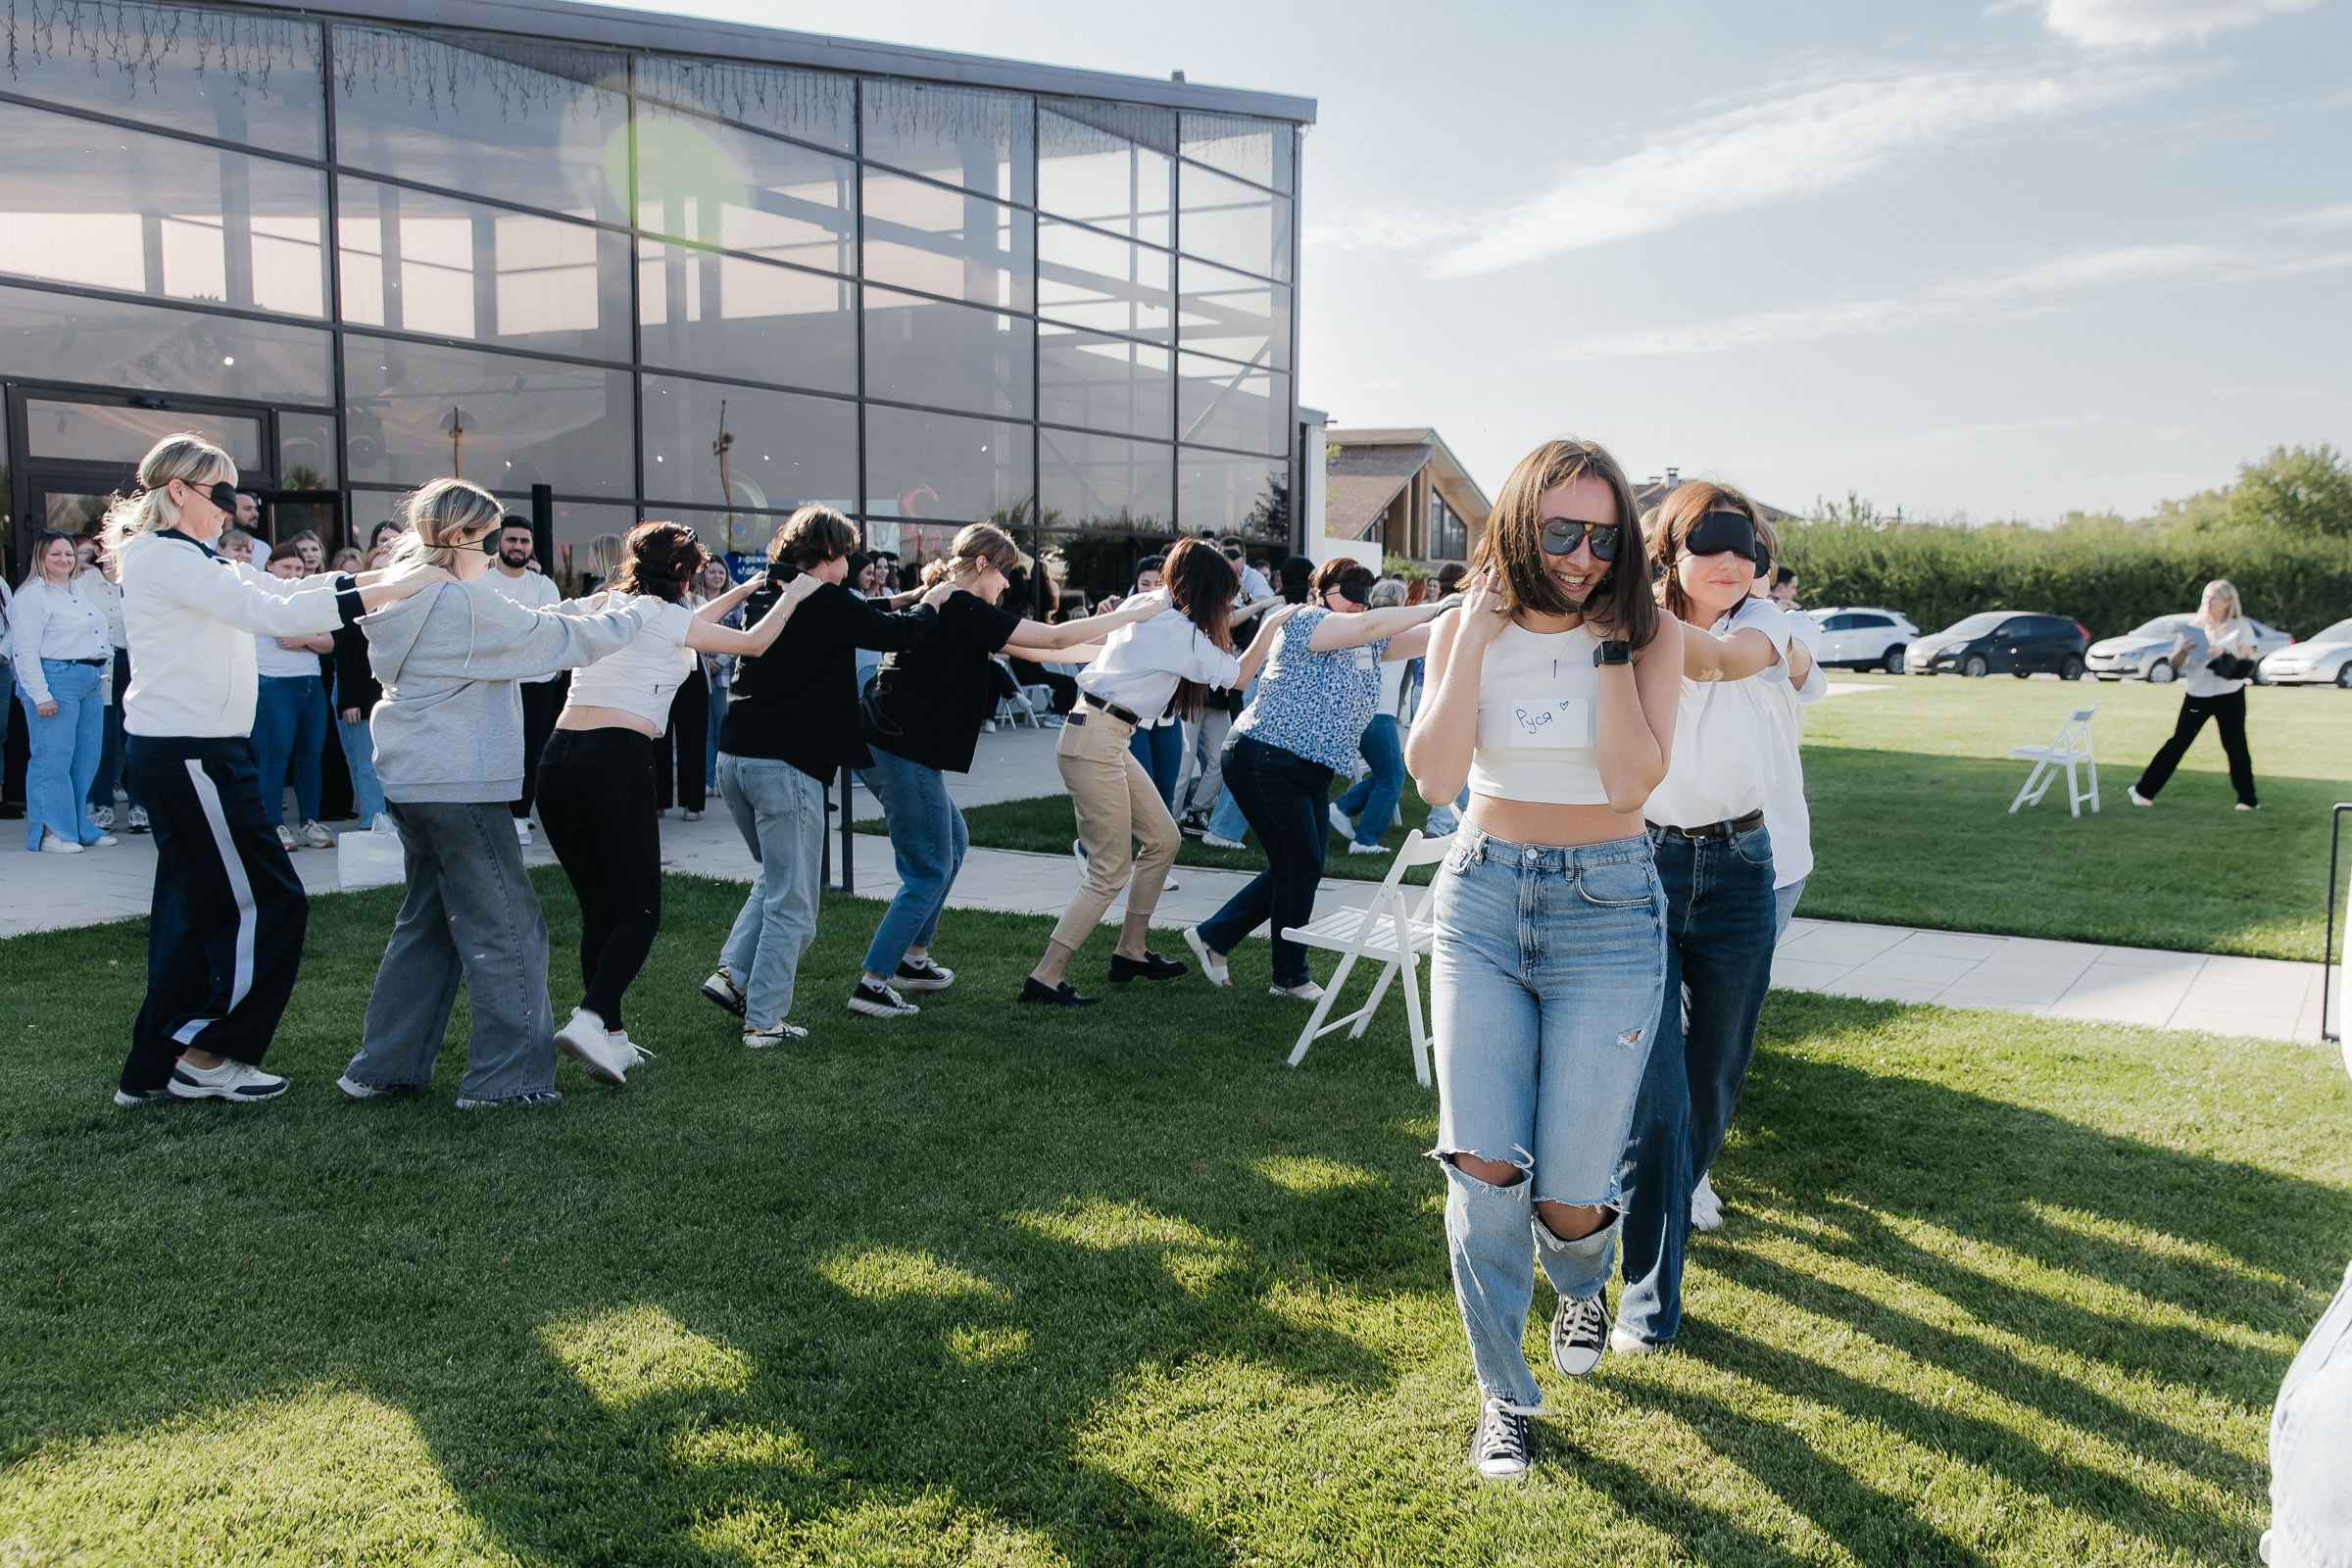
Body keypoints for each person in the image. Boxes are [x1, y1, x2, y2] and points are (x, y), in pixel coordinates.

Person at [1401, 436, 1684, 1481]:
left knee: (1568, 1189)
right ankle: (1502, 1398)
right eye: (1561, 531)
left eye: (1605, 536)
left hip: (1607, 909)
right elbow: (1434, 781)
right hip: (1481, 900)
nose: (1581, 554)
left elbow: (1627, 786)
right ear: (1519, 525)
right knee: (1482, 1173)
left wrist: (1609, 645)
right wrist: (1470, 641)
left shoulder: (1653, 638)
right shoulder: (1465, 629)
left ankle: (1580, 1276)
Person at [108, 432, 441, 1106]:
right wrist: (407, 583)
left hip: (198, 753)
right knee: (270, 902)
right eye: (220, 494)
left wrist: (396, 577)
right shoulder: (164, 558)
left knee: (191, 916)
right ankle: (209, 1055)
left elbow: (294, 588)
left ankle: (151, 1071)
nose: (232, 510)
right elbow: (273, 610)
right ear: (179, 491)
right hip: (192, 755)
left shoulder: (196, 558)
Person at [339, 478, 653, 1107]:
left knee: (426, 926)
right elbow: (558, 642)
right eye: (487, 539)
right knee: (509, 927)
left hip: (413, 783)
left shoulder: (413, 599)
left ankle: (383, 1068)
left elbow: (536, 623)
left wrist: (593, 607)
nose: (495, 553)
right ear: (458, 538)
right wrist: (641, 612)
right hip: (460, 787)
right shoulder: (461, 605)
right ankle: (507, 1081)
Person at [1615, 483, 1802, 1360]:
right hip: (1644, 863)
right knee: (1655, 1095)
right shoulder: (1631, 621)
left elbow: (1731, 663)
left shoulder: (1772, 623)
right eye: (1709, 545)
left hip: (1742, 870)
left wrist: (1618, 612)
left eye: (1745, 548)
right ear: (1671, 552)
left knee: (1716, 1068)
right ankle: (1645, 1300)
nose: (1732, 563)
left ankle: (1672, 1184)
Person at [535, 521, 819, 1070]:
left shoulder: (612, 605)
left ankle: (611, 1033)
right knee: (639, 914)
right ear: (686, 572)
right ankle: (591, 1020)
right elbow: (754, 643)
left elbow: (685, 625)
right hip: (614, 762)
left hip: (559, 762)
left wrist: (741, 590)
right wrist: (796, 596)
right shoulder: (664, 617)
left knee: (601, 912)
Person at [859, 524, 1162, 1016]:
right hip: (900, 748)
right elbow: (1055, 635)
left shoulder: (954, 604)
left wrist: (1123, 643)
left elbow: (1045, 648)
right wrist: (1138, 613)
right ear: (982, 565)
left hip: (900, 744)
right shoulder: (960, 604)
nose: (1007, 585)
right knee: (929, 867)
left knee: (952, 844)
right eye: (1005, 574)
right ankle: (873, 982)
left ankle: (912, 959)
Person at [703, 507, 945, 1047]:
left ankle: (731, 977)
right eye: (847, 555)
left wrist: (900, 601)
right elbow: (892, 634)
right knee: (795, 901)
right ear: (830, 555)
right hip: (785, 766)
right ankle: (763, 1022)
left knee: (776, 876)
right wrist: (930, 605)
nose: (851, 565)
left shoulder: (773, 589)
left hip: (735, 760)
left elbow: (857, 615)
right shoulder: (825, 597)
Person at [1026, 538, 1290, 1005]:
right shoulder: (1175, 630)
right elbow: (1239, 676)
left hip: (1102, 734)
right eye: (1225, 596)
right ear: (1208, 591)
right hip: (1096, 739)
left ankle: (1131, 950)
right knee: (1109, 869)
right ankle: (1046, 977)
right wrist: (1270, 626)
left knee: (1164, 840)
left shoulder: (1154, 607)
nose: (1228, 605)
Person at [1186, 560, 1450, 1000]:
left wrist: (1476, 613)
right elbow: (1372, 625)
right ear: (1321, 590)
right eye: (1348, 590)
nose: (1357, 602)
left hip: (1308, 766)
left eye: (1364, 594)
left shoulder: (1364, 639)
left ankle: (1215, 937)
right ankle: (1289, 978)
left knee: (1298, 867)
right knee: (1301, 866)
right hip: (1265, 756)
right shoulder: (1306, 620)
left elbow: (1430, 638)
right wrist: (1441, 607)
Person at [11, 530, 115, 854]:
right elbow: (24, 649)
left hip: (91, 680)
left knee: (85, 759)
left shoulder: (77, 590)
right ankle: (49, 833)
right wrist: (40, 694)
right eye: (55, 554)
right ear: (41, 557)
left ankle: (78, 826)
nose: (64, 560)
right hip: (56, 679)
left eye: (69, 554)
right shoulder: (33, 595)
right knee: (52, 759)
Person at [2129, 578, 2260, 811]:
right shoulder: (2194, 626)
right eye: (2206, 597)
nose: (2208, 602)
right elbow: (2175, 664)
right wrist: (2182, 650)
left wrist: (2223, 653)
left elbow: (2246, 662)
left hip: (2229, 694)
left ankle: (2247, 800)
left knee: (2235, 745)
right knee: (2178, 743)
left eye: (2214, 598)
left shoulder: (2241, 628)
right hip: (2198, 694)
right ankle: (2143, 791)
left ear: (2227, 603)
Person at [481, 515, 563, 845]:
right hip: (495, 681)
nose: (517, 547)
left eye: (524, 541)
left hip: (538, 681)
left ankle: (520, 814)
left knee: (532, 750)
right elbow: (487, 632)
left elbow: (551, 629)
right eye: (511, 540)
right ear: (498, 543)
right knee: (497, 748)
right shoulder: (482, 583)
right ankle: (496, 813)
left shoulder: (544, 586)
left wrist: (517, 633)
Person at [249, 542, 335, 851]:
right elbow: (282, 637)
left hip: (310, 683)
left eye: (298, 569)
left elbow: (327, 644)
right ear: (269, 567)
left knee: (310, 757)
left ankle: (309, 822)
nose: (293, 574)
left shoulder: (309, 598)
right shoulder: (261, 597)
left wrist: (304, 639)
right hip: (274, 683)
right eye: (286, 567)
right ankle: (273, 825)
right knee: (274, 759)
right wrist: (307, 639)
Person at [1329, 576, 1415, 857]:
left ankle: (1341, 809)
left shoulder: (1364, 628)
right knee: (1392, 778)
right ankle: (1365, 841)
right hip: (1379, 715)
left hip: (1362, 713)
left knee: (1384, 774)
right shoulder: (1398, 629)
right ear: (1400, 603)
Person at [1121, 555, 1187, 810]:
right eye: (1144, 583)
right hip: (1134, 718)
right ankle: (1094, 848)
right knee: (1141, 797)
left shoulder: (1181, 618)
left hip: (1168, 719)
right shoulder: (1124, 612)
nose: (1150, 590)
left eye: (1158, 583)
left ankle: (1164, 849)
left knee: (1165, 797)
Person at [331, 599, 385, 826]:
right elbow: (344, 658)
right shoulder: (356, 612)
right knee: (366, 763)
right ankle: (373, 818)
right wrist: (349, 701)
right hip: (361, 700)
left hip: (393, 697)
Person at [696, 557, 739, 783]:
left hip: (723, 676)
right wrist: (705, 659)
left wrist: (720, 660)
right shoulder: (695, 601)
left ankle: (722, 779)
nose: (717, 577)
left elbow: (743, 635)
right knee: (705, 732)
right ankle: (707, 780)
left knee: (721, 729)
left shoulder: (734, 603)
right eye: (712, 572)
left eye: (721, 573)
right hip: (700, 674)